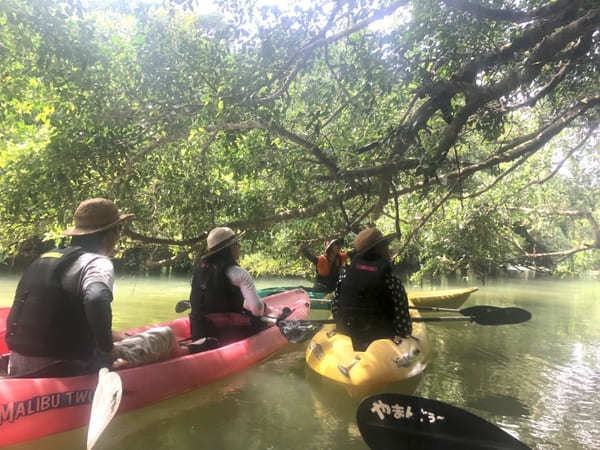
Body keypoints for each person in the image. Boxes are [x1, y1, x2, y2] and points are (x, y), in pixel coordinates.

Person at [5, 198, 133, 377]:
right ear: (109, 235)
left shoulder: (44, 259)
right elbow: (96, 298)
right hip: (61, 366)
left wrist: (111, 334)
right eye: (118, 229)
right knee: (163, 338)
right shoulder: (97, 263)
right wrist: (107, 349)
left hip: (17, 362)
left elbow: (55, 315)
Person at [331, 227, 412, 351]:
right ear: (379, 250)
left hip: (349, 342)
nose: (388, 249)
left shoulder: (344, 276)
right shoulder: (392, 281)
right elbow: (404, 328)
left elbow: (336, 311)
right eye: (385, 246)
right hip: (382, 347)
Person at [188, 227, 266, 349]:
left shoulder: (199, 270)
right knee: (260, 318)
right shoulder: (239, 273)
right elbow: (257, 309)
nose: (239, 247)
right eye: (236, 244)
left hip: (198, 331)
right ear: (229, 248)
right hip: (224, 334)